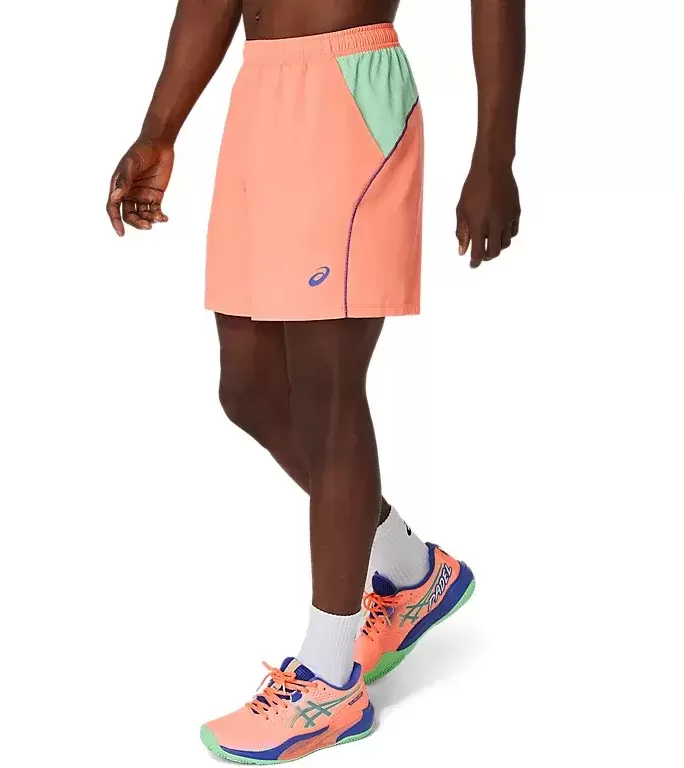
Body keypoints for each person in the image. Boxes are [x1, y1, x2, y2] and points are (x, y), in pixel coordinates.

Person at [106, 0, 524, 762]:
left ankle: (330, 680)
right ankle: (410, 569)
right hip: (260, 93)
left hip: (350, 91)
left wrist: (494, 153)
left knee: (328, 393)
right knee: (249, 389)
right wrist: (159, 128)